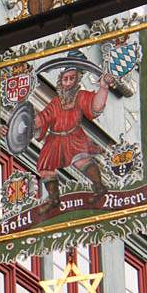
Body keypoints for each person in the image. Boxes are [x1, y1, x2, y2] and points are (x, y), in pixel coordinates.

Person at [34, 52, 115, 212]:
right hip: (54, 140)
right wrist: (22, 125)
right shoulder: (56, 102)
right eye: (66, 79)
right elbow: (42, 119)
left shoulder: (80, 96)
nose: (68, 82)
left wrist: (104, 88)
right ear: (61, 81)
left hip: (73, 137)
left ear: (77, 80)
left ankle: (99, 187)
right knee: (45, 169)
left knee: (80, 161)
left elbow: (95, 107)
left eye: (72, 78)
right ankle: (54, 199)